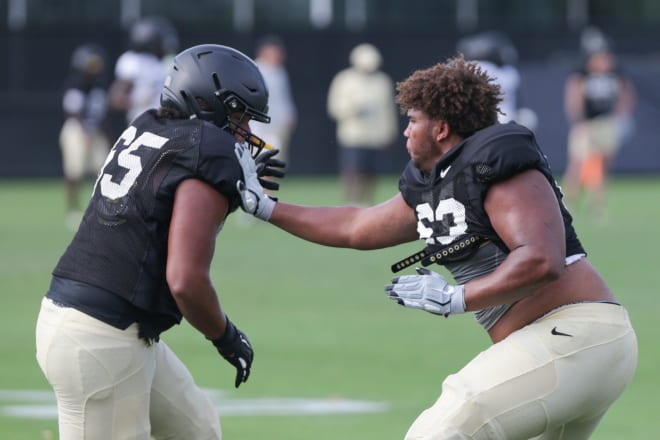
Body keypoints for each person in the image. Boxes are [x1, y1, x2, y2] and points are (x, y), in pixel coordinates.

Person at [234, 55, 638, 439]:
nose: (406, 130)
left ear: (441, 128)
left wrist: (455, 298)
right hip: (567, 347)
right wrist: (268, 208)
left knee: (443, 427)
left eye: (413, 120)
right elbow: (355, 226)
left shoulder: (494, 166)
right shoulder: (442, 182)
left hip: (577, 336)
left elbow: (541, 260)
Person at [35, 44, 284, 439]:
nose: (246, 132)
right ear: (207, 103)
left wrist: (227, 194)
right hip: (101, 338)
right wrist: (225, 336)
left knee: (198, 429)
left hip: (98, 324)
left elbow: (165, 215)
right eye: (239, 116)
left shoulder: (148, 125)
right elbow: (185, 279)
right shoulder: (208, 149)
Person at [562, 27, 636, 218]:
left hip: (607, 123)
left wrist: (622, 116)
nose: (605, 61)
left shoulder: (615, 74)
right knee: (578, 163)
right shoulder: (582, 74)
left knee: (602, 164)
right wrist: (579, 122)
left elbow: (626, 94)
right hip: (587, 124)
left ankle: (598, 205)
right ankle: (570, 201)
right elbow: (574, 98)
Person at [327, 43, 398, 206]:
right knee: (352, 171)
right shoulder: (344, 79)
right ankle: (351, 203)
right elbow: (334, 108)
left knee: (371, 173)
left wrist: (389, 133)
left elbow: (388, 110)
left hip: (375, 137)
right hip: (353, 136)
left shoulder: (383, 81)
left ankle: (367, 205)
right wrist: (354, 109)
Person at [59, 43, 111, 230]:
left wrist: (108, 137)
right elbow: (73, 113)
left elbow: (102, 115)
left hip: (95, 129)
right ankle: (73, 209)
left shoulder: (100, 87)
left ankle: (100, 208)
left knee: (103, 169)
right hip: (77, 129)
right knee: (75, 171)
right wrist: (85, 132)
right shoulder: (75, 86)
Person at [108, 16, 176, 125]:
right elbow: (115, 99)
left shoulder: (167, 62)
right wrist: (137, 102)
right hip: (142, 124)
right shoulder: (133, 61)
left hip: (165, 123)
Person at [250, 34, 297, 164]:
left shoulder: (280, 71)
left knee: (275, 163)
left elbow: (284, 98)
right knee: (264, 162)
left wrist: (290, 114)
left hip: (278, 127)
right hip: (260, 128)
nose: (279, 55)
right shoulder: (255, 70)